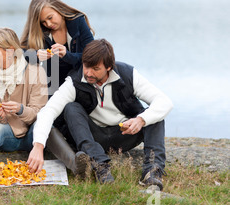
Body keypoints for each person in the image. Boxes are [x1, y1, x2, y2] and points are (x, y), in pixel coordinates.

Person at [27, 39, 174, 190]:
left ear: (109, 67)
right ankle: (101, 167)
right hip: (93, 138)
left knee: (154, 115)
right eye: (86, 66)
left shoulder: (128, 74)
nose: (88, 73)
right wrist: (38, 146)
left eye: (96, 68)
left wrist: (141, 120)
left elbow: (164, 101)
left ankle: (152, 172)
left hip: (125, 134)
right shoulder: (75, 81)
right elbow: (49, 110)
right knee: (71, 108)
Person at [0, 27, 48, 152]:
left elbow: (39, 114)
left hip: (33, 136)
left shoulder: (37, 72)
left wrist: (20, 109)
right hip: (8, 137)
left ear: (10, 51)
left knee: (48, 125)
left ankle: (76, 163)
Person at [20, 0, 95, 96]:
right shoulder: (40, 31)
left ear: (58, 9)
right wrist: (36, 55)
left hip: (81, 84)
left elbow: (93, 56)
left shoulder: (78, 22)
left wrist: (67, 55)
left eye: (50, 18)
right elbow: (19, 53)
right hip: (53, 88)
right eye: (43, 22)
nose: (48, 24)